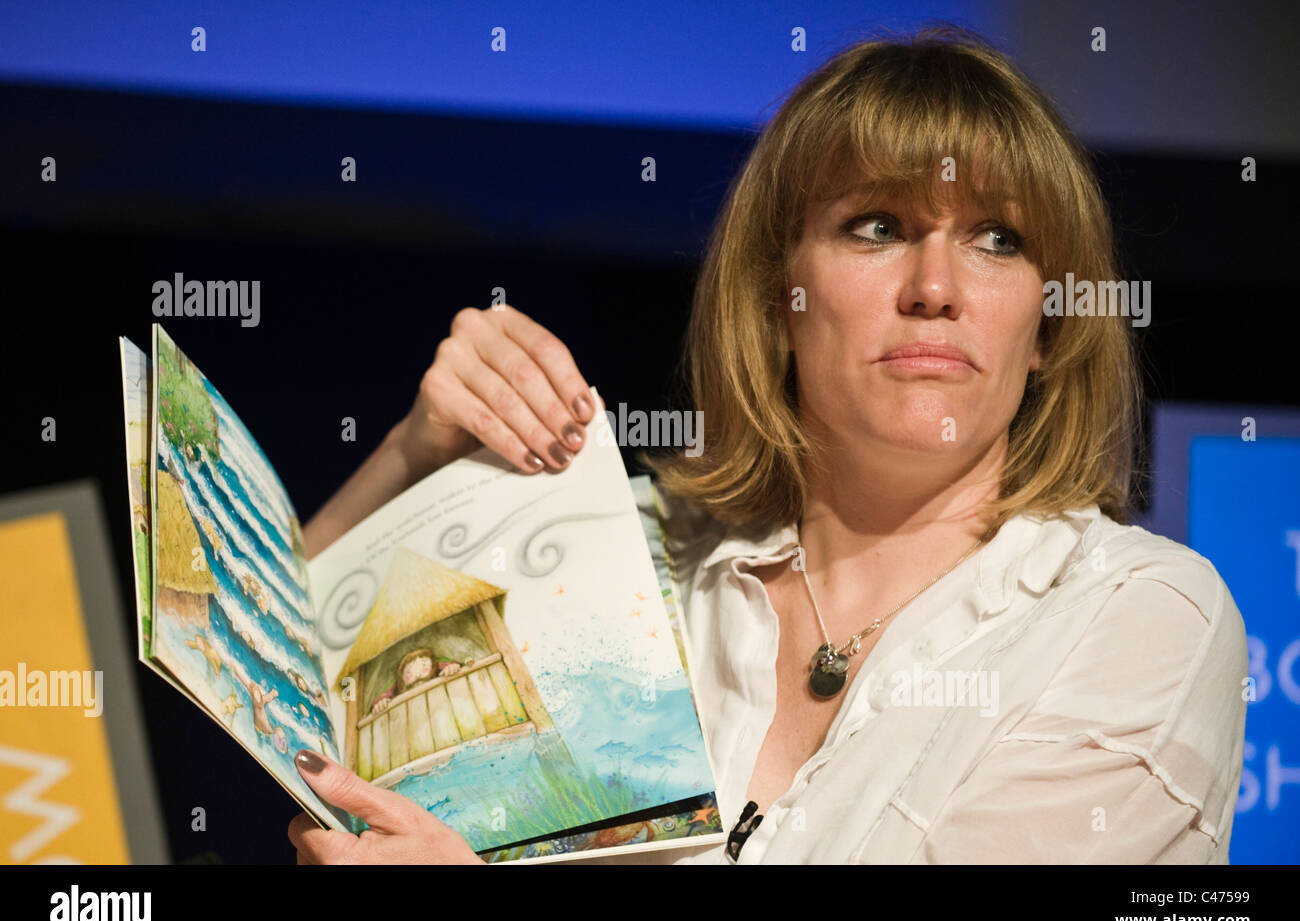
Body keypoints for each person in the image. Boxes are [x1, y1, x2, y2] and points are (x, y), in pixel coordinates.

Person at [288, 25, 1247, 865]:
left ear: (1047, 326)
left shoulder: (1135, 615)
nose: (936, 285)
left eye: (998, 239)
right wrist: (418, 456)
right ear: (776, 299)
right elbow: (272, 689)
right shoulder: (630, 552)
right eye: (879, 226)